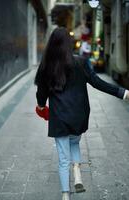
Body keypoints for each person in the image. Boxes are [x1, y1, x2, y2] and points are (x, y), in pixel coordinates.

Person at [34, 27, 129, 200]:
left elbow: (41, 94)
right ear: (69, 44)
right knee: (74, 142)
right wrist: (121, 92)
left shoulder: (47, 67)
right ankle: (77, 172)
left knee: (63, 158)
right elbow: (97, 82)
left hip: (60, 119)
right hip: (79, 116)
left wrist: (41, 106)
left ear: (52, 45)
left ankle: (65, 195)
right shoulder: (81, 62)